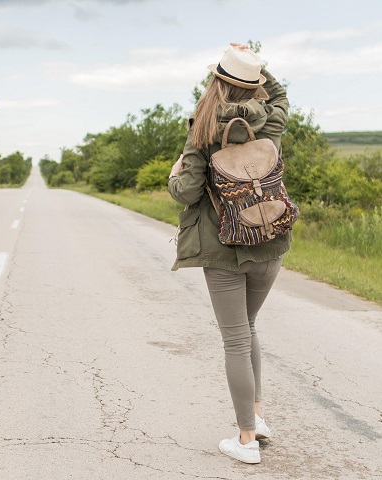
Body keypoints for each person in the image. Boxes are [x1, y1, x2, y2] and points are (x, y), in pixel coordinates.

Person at [167, 43, 291, 464]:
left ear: (216, 81)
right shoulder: (271, 121)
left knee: (236, 339)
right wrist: (258, 65)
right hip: (270, 240)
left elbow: (186, 192)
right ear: (254, 86)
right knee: (248, 328)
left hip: (223, 248)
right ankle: (256, 416)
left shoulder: (202, 129)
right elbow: (281, 96)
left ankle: (246, 440)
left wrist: (174, 175)